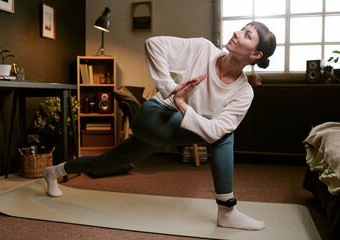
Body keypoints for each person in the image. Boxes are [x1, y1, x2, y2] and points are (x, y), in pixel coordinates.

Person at [43, 21, 276, 231]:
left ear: (255, 54)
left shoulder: (244, 92)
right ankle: (227, 211)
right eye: (241, 28)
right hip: (154, 116)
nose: (236, 32)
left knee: (104, 162)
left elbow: (216, 130)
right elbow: (154, 44)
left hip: (175, 126)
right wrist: (170, 88)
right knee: (226, 137)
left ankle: (52, 173)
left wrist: (182, 104)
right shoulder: (203, 49)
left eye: (246, 35)